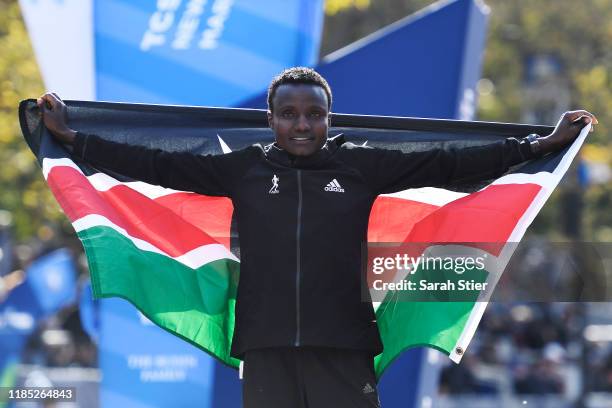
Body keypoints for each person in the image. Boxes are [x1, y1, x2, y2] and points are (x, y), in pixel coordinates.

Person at [37, 67, 597, 408]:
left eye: (313, 114)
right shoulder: (244, 169)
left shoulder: (361, 167)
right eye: (289, 114)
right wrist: (75, 140)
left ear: (329, 118)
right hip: (265, 346)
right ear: (271, 118)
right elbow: (152, 162)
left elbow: (448, 163)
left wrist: (538, 145)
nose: (301, 125)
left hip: (345, 346)